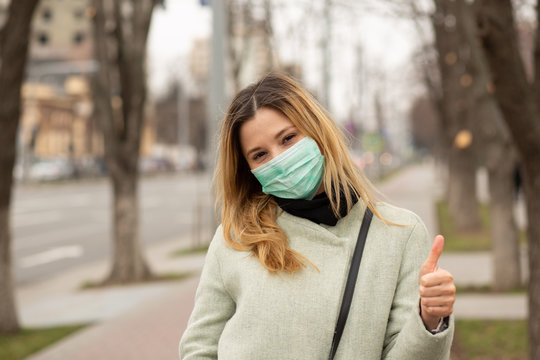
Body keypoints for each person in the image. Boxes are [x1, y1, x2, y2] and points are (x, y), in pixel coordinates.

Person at [179, 73, 455, 359]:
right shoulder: (236, 237)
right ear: (248, 170)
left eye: (288, 138)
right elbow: (199, 348)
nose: (279, 160)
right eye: (260, 155)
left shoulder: (399, 232)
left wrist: (429, 318)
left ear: (317, 133)